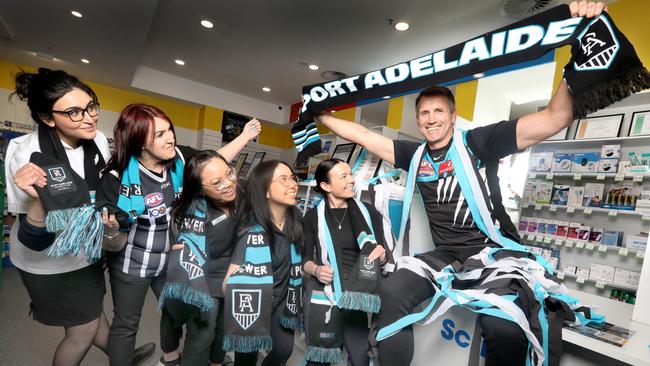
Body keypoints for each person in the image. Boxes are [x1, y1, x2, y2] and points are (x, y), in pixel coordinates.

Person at [313, 3, 606, 365]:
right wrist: (321, 112)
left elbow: (554, 117)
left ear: (453, 116)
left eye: (439, 111)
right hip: (446, 256)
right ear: (418, 120)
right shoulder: (413, 155)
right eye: (424, 113)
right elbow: (361, 133)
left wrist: (575, 51)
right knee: (391, 292)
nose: (431, 119)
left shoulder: (481, 142)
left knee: (504, 327)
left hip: (493, 253)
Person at [5, 68, 153, 365]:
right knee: (82, 330)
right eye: (74, 112)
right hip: (47, 260)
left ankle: (120, 355)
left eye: (91, 106)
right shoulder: (25, 154)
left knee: (91, 313)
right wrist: (38, 200)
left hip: (85, 250)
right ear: (48, 118)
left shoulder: (96, 138)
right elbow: (32, 236)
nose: (89, 117)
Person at [96, 103, 260, 366]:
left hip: (173, 261)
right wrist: (110, 230)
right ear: (139, 142)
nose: (170, 137)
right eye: (159, 134)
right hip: (132, 263)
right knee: (126, 324)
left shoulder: (181, 159)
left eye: (168, 129)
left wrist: (243, 137)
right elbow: (108, 238)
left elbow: (213, 163)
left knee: (186, 311)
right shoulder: (115, 178)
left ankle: (175, 357)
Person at [302, 159, 392, 366]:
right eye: (343, 176)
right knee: (319, 358)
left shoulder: (369, 213)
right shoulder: (312, 217)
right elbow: (304, 260)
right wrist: (315, 269)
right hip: (325, 292)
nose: (351, 180)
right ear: (325, 186)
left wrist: (382, 255)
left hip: (357, 292)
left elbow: (385, 254)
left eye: (351, 174)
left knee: (359, 358)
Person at [159, 150, 242, 366]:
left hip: (230, 278)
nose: (228, 183)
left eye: (229, 174)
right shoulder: (192, 214)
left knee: (224, 330)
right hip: (202, 283)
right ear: (199, 189)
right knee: (202, 336)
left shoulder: (238, 198)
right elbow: (187, 263)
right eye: (217, 182)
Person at [223, 160, 303, 366]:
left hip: (283, 302)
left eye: (293, 178)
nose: (292, 184)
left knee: (283, 350)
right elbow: (227, 284)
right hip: (253, 305)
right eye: (283, 180)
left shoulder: (296, 222)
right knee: (246, 360)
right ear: (265, 191)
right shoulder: (250, 231)